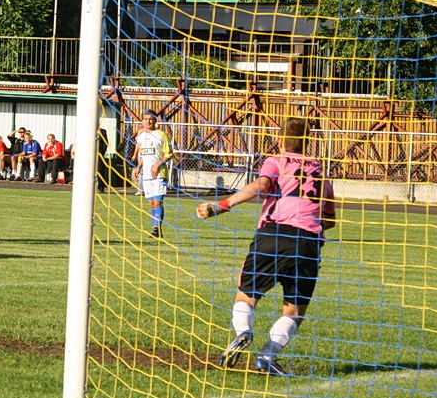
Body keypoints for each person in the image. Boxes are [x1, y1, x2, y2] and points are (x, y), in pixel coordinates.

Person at [196, 118, 336, 377]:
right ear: (310, 141)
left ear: (280, 140)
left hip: (272, 235)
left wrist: (221, 205)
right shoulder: (321, 171)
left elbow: (262, 186)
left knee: (246, 296)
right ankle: (267, 357)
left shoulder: (276, 162)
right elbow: (329, 220)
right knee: (294, 311)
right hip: (307, 243)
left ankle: (243, 332)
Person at [131, 110, 174, 238]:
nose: (148, 121)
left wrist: (157, 164)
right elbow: (144, 154)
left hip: (159, 174)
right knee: (151, 204)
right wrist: (138, 167)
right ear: (142, 121)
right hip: (147, 176)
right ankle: (156, 229)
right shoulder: (142, 136)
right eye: (145, 119)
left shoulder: (161, 135)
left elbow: (169, 153)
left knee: (157, 202)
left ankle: (157, 229)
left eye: (150, 119)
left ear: (155, 121)